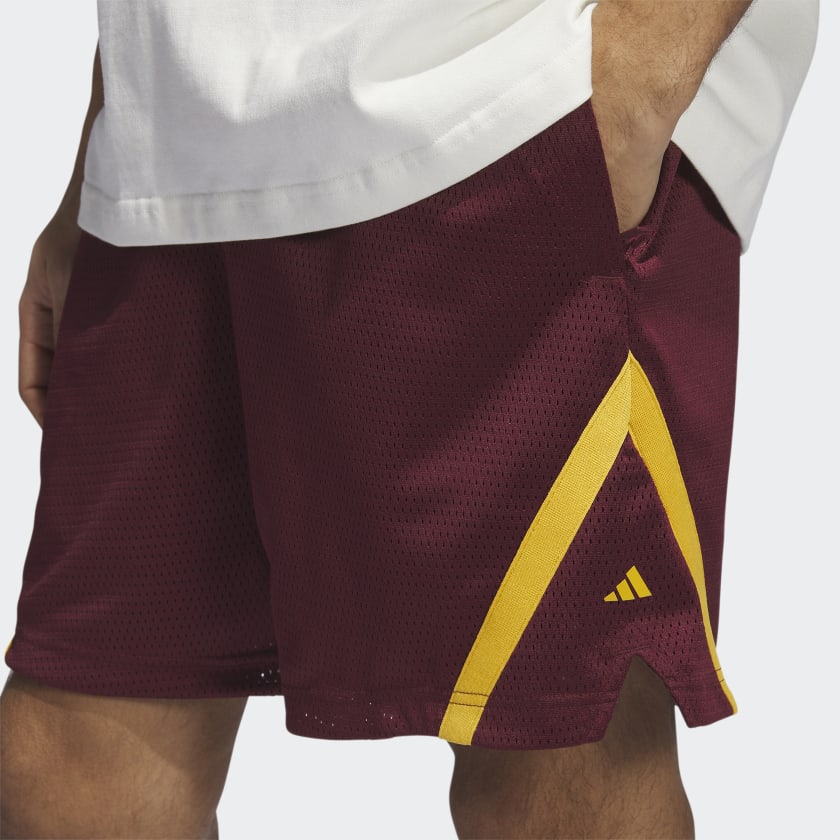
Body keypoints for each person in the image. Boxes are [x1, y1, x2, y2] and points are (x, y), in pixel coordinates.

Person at [0, 1, 818, 837]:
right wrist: (105, 140)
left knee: (557, 761)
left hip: (503, 83)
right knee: (71, 770)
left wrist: (639, 70)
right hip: (175, 146)